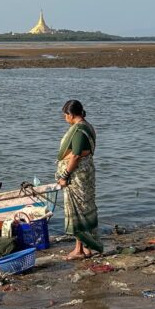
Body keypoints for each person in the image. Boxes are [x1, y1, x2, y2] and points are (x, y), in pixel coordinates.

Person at [56, 100, 102, 259]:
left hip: (77, 176)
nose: (64, 118)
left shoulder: (79, 130)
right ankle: (88, 247)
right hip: (87, 173)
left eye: (65, 115)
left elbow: (75, 156)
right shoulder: (88, 126)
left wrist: (64, 176)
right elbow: (82, 152)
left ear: (71, 115)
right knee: (86, 207)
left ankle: (79, 251)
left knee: (78, 210)